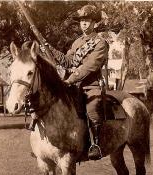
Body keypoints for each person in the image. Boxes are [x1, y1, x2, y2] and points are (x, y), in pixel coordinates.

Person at [43, 5, 108, 160]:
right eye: (82, 21)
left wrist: (69, 80)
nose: (84, 23)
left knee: (91, 108)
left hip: (91, 86)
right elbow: (68, 61)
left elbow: (89, 67)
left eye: (87, 20)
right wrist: (49, 48)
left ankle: (95, 145)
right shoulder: (77, 43)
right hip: (74, 86)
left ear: (94, 23)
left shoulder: (100, 43)